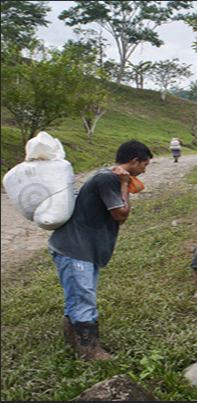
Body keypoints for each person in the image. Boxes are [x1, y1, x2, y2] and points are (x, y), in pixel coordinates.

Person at [48, 141, 153, 361]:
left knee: (77, 295)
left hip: (83, 247)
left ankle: (73, 339)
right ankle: (90, 350)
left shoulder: (109, 178)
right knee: (83, 296)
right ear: (134, 161)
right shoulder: (107, 178)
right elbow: (121, 215)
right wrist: (125, 184)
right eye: (144, 164)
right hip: (75, 248)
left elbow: (119, 216)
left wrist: (124, 184)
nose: (144, 170)